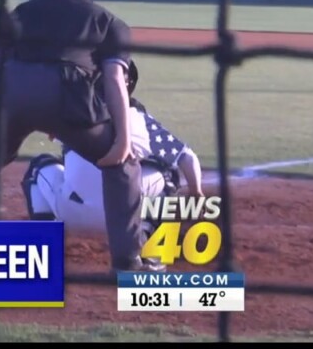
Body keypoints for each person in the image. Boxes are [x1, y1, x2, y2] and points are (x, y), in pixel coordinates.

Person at [0, 0, 158, 273]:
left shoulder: (20, 13)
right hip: (68, 95)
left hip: (12, 92)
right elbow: (115, 81)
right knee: (121, 166)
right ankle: (127, 262)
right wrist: (122, 141)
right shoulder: (109, 22)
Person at [20, 60, 205, 268]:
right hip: (125, 221)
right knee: (169, 174)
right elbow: (187, 158)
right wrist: (196, 193)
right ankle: (152, 251)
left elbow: (43, 125)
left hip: (72, 213)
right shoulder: (141, 120)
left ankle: (43, 246)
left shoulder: (72, 113)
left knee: (39, 166)